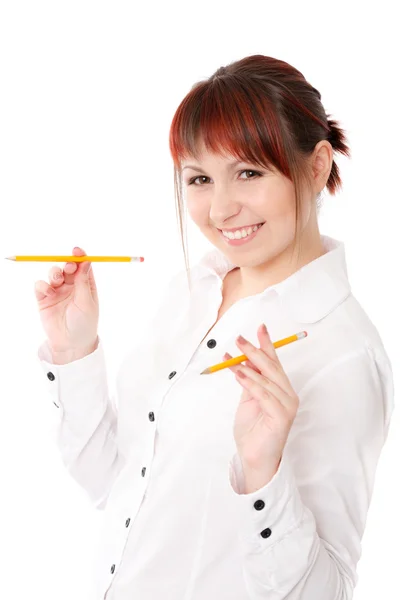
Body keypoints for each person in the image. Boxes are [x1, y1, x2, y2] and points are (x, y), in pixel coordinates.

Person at [35, 55, 394, 600]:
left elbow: (327, 591)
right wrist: (74, 349)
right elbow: (115, 486)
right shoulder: (192, 291)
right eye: (200, 178)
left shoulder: (343, 353)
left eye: (248, 172)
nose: (221, 208)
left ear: (317, 165)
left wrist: (263, 474)